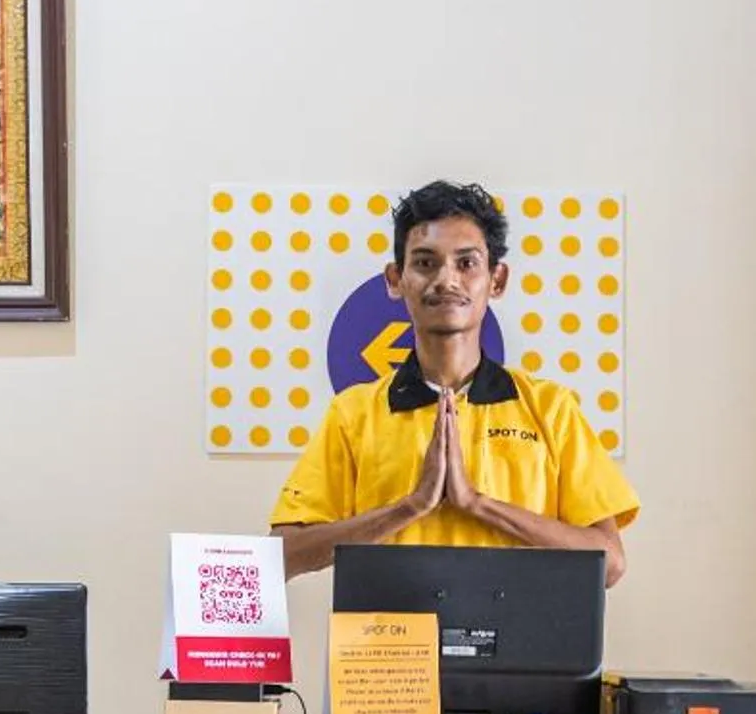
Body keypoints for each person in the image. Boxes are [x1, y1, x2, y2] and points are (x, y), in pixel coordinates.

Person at [271, 180, 636, 586]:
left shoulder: (550, 407)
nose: (446, 280)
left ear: (496, 280)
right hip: (387, 648)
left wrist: (476, 504)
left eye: (466, 263)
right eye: (425, 263)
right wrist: (410, 506)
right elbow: (282, 555)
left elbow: (610, 563)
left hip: (522, 647)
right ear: (396, 279)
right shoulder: (354, 413)